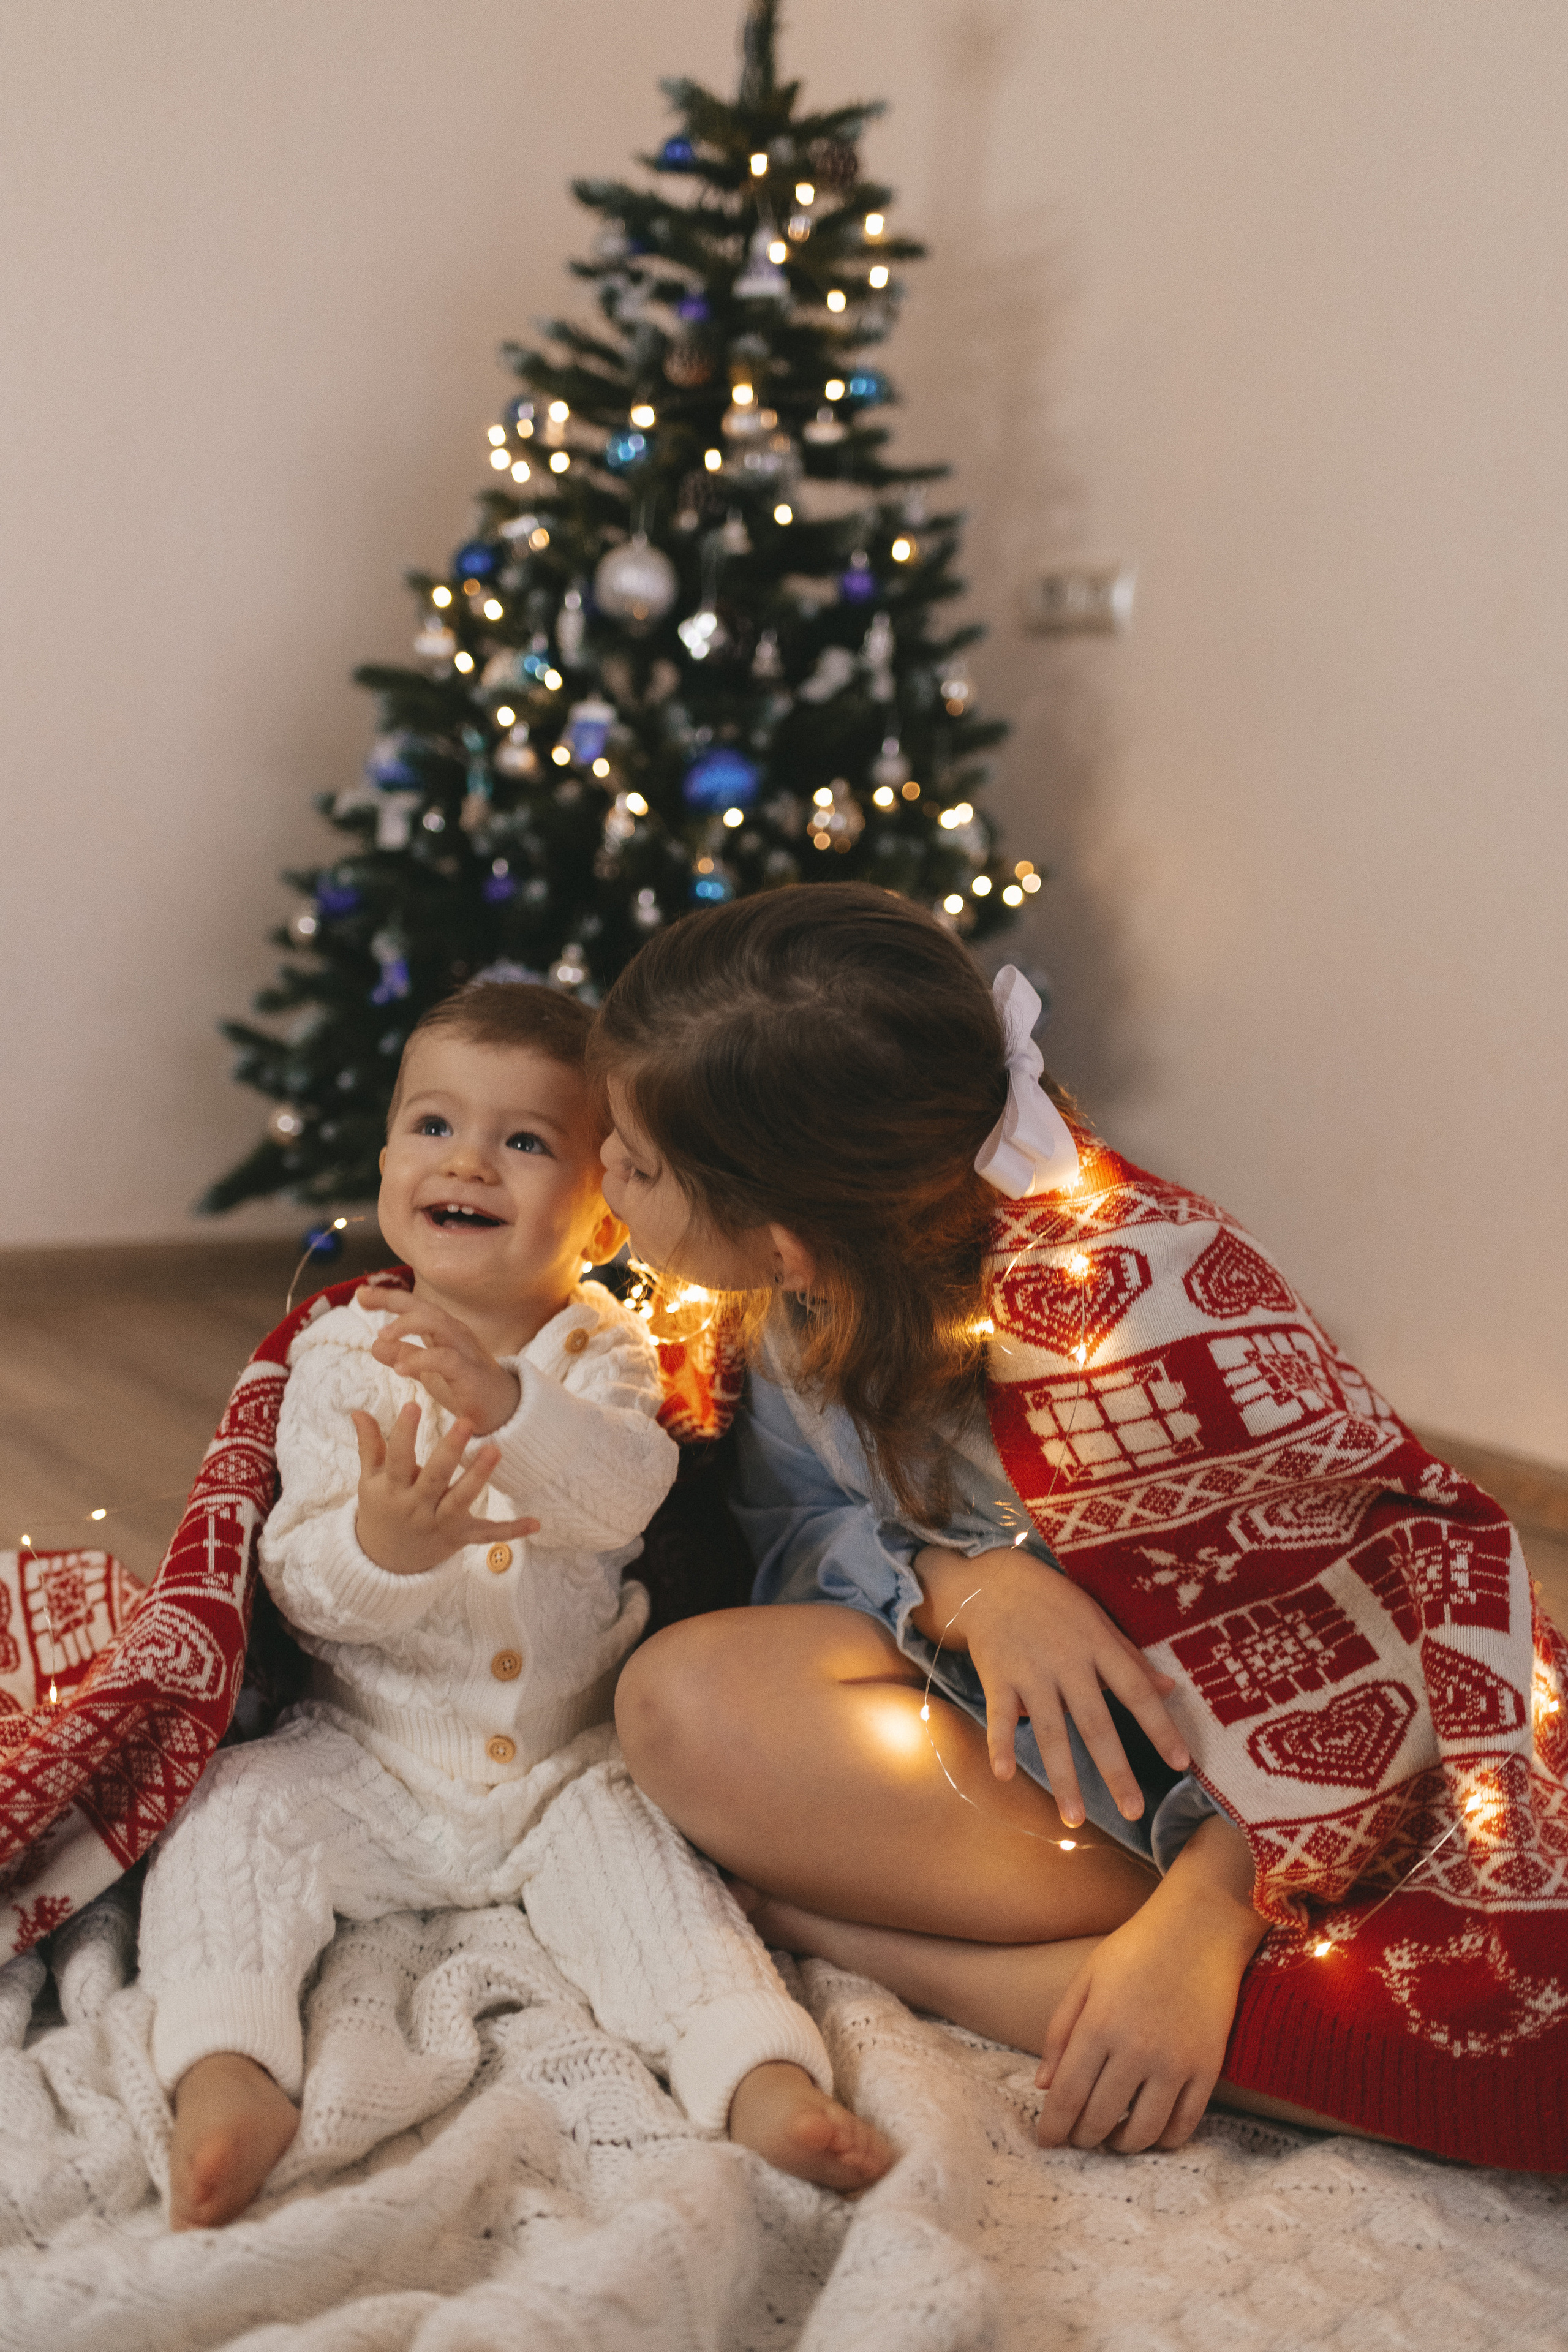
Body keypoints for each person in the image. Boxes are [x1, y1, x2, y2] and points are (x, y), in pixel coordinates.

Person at [596, 884, 1560, 2166]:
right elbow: (794, 1535)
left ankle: (1029, 1967)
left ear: (783, 1243)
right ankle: (1131, 1968)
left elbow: (1372, 1643)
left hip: (1297, 1810)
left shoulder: (1136, 1316)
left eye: (638, 1164)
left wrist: (1209, 1915)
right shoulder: (776, 1325)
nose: (600, 1172)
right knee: (679, 1701)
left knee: (1494, 2046)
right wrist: (959, 1582)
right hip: (1061, 1776)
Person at [138, 981, 891, 2230]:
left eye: (524, 1141)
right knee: (229, 1822)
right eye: (432, 1127)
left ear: (602, 1214)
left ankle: (755, 2076)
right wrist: (382, 1544)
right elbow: (302, 1588)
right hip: (370, 1757)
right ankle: (229, 2068)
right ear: (386, 1164)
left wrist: (509, 1407)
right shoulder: (340, 1358)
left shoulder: (603, 1352)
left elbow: (624, 1495)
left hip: (567, 1768)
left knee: (662, 1893)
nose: (467, 1161)